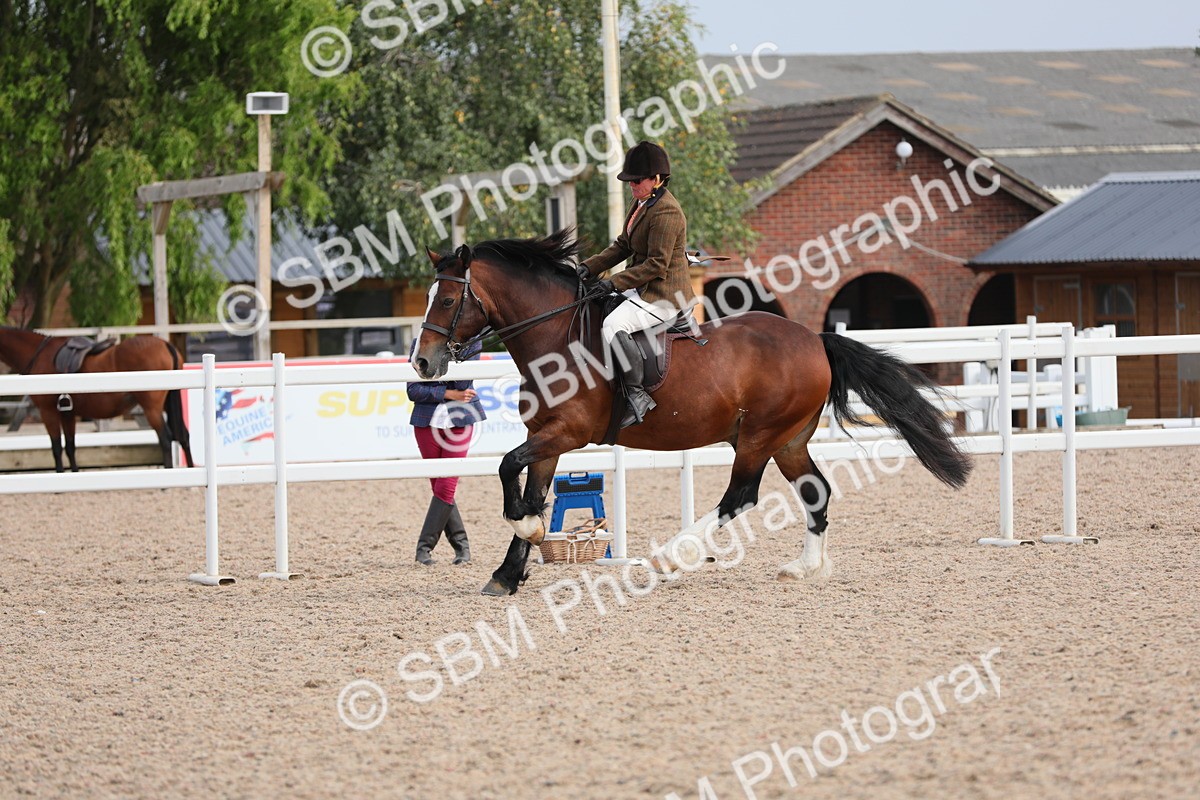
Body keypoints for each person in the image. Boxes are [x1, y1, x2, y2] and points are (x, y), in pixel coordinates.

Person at [575, 140, 696, 427]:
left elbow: (656, 265)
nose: (631, 186)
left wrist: (613, 282)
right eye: (629, 181)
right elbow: (622, 246)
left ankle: (637, 393)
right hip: (642, 287)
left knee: (614, 325)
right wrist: (587, 268)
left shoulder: (667, 212)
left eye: (637, 181)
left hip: (665, 295)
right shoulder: (641, 202)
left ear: (657, 179)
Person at [407, 341, 486, 565]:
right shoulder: (418, 344)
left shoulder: (471, 345)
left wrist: (436, 386)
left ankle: (424, 547)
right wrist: (450, 393)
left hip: (460, 421)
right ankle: (462, 547)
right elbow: (414, 391)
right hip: (426, 422)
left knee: (446, 485)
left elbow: (463, 382)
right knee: (438, 485)